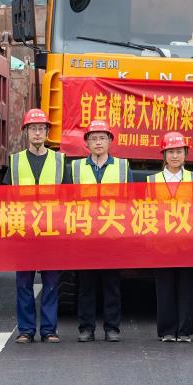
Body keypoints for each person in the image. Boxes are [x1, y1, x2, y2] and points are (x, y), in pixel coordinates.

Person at [66, 118, 132, 342]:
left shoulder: (123, 167)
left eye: (102, 138)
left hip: (112, 235)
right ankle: (86, 328)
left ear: (110, 141)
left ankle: (112, 328)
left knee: (112, 284)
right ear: (87, 143)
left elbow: (131, 202)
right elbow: (66, 203)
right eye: (93, 138)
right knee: (86, 286)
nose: (98, 142)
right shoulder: (75, 168)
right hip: (85, 236)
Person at [9, 108, 64, 344]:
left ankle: (49, 329)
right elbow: (5, 198)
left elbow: (69, 197)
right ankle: (26, 330)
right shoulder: (15, 161)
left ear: (47, 132)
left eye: (41, 128)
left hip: (52, 231)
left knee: (51, 283)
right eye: (33, 129)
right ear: (26, 132)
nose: (38, 133)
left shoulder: (59, 161)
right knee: (24, 283)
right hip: (24, 232)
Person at [150, 131, 193, 342]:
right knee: (164, 287)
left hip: (187, 241)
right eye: (170, 152)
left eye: (179, 151)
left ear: (185, 154)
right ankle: (167, 330)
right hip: (162, 242)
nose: (175, 156)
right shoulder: (153, 180)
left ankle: (185, 331)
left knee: (186, 286)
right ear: (164, 154)